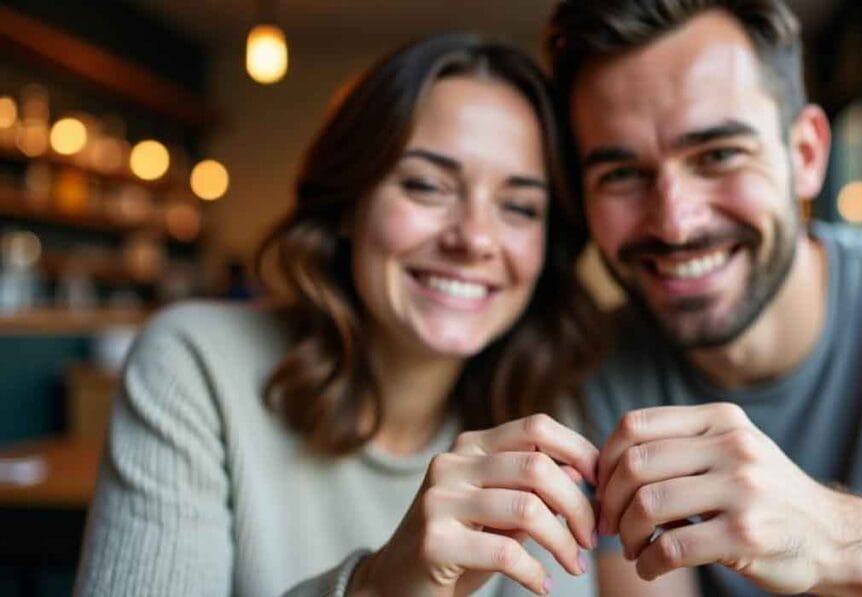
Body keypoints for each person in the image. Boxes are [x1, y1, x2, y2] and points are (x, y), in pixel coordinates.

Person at [74, 33, 607, 597]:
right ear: (350, 203)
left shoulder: (549, 413)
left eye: (520, 206)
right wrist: (377, 589)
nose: (474, 238)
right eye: (426, 185)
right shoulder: (195, 363)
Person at [545, 1, 862, 595]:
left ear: (806, 154)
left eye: (718, 155)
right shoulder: (594, 369)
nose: (674, 221)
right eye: (621, 174)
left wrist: (838, 538)